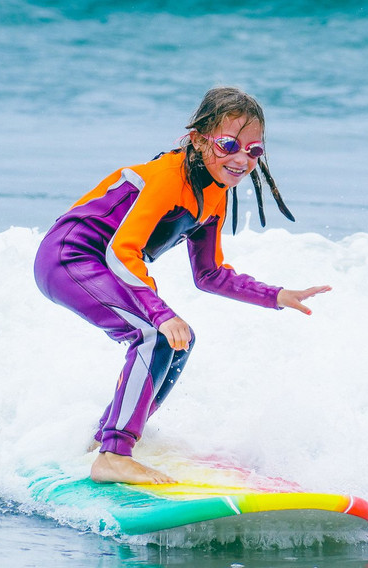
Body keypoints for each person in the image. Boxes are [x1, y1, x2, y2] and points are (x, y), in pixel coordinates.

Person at [33, 87, 331, 484]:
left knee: (179, 339)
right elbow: (122, 252)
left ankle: (104, 441)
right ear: (198, 139)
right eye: (228, 145)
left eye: (254, 150)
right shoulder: (167, 177)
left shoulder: (214, 193)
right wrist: (161, 312)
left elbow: (209, 274)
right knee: (156, 334)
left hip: (97, 263)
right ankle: (114, 454)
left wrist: (274, 294)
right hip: (68, 258)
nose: (241, 159)